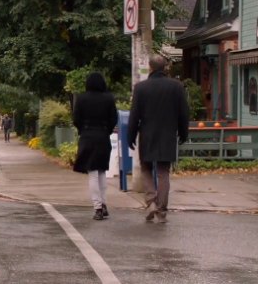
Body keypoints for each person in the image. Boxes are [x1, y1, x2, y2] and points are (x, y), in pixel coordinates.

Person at [128, 55, 189, 223]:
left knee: (146, 168)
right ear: (165, 68)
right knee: (163, 172)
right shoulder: (176, 87)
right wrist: (183, 132)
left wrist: (131, 136)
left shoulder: (141, 88)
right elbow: (183, 113)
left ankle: (151, 201)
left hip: (147, 134)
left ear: (150, 67)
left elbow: (134, 116)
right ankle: (162, 210)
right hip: (168, 134)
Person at [72, 73, 118, 220]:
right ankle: (104, 204)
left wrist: (82, 130)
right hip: (103, 136)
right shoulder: (108, 98)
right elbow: (114, 118)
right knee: (102, 171)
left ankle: (97, 207)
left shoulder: (82, 98)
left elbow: (76, 118)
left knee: (92, 172)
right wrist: (107, 130)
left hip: (87, 136)